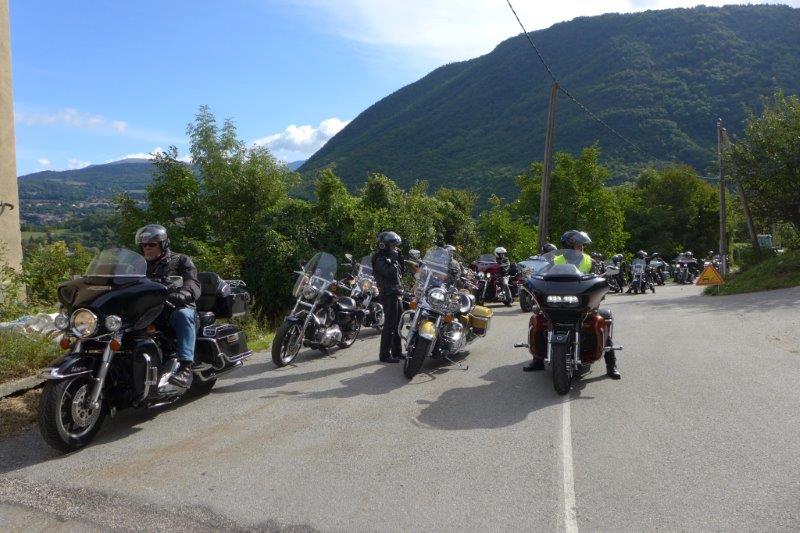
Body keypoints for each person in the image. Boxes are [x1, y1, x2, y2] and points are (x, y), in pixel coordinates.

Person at [524, 230, 620, 379]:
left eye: (582, 245)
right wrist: (532, 276)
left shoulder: (589, 260)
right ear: (569, 246)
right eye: (578, 245)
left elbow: (598, 275)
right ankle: (537, 360)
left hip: (582, 299)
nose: (582, 248)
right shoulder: (556, 260)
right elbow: (542, 273)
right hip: (557, 298)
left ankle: (611, 365)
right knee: (540, 319)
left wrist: (604, 279)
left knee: (601, 319)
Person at [135, 224, 201, 388]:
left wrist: (184, 294)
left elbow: (192, 283)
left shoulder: (180, 260)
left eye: (151, 244)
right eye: (144, 245)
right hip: (148, 311)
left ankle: (185, 368)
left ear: (163, 244)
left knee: (183, 315)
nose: (147, 248)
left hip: (174, 308)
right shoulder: (137, 266)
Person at [372, 231, 405, 363]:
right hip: (388, 294)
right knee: (390, 324)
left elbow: (401, 273)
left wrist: (399, 258)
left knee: (398, 323)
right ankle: (384, 355)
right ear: (384, 245)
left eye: (395, 246)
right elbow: (390, 274)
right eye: (392, 246)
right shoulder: (379, 258)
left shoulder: (391, 257)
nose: (395, 248)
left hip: (396, 293)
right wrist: (394, 259)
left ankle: (397, 352)